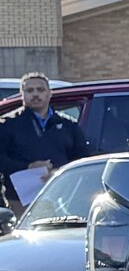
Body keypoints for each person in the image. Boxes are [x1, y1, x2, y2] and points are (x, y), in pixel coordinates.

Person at [1, 73, 89, 212]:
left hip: (62, 196)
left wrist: (58, 172)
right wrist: (28, 166)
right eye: (29, 91)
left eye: (40, 90)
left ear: (50, 93)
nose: (35, 94)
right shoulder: (8, 124)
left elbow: (82, 159)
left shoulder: (68, 125)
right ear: (22, 94)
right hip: (20, 200)